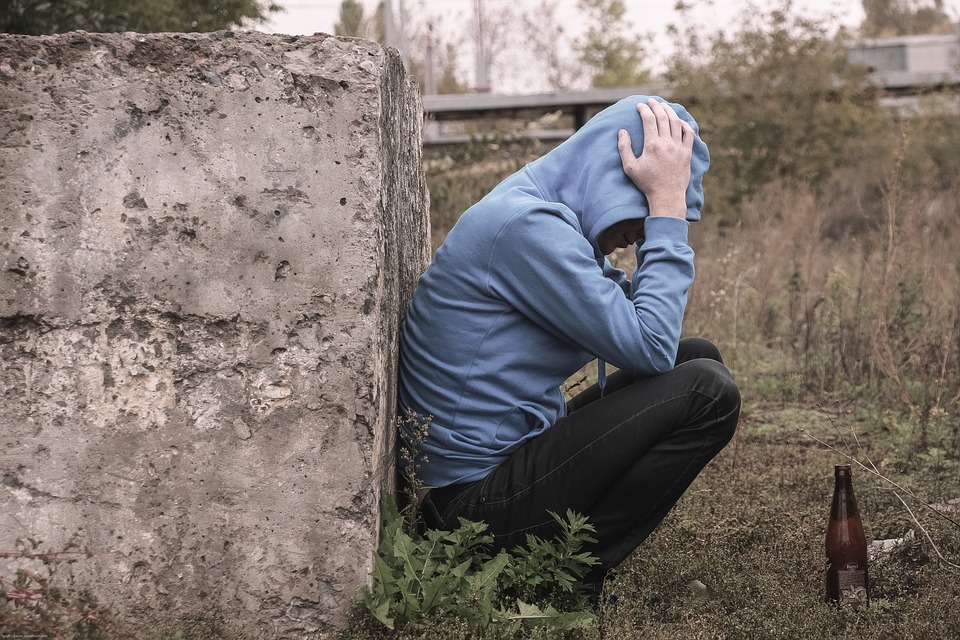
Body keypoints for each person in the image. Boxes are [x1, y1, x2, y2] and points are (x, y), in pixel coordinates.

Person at [397, 95, 741, 594]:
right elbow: (650, 344)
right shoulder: (526, 229)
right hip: (463, 510)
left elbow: (643, 325)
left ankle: (564, 566)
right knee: (707, 392)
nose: (639, 235)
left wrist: (661, 214)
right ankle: (565, 582)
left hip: (501, 469)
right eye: (641, 207)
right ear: (611, 176)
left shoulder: (541, 216)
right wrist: (667, 210)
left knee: (698, 356)